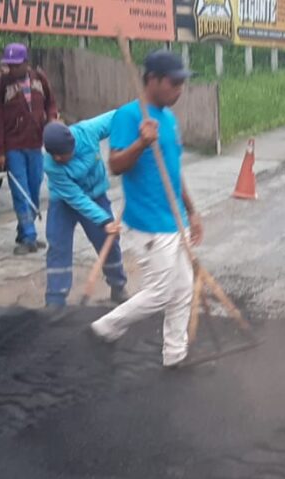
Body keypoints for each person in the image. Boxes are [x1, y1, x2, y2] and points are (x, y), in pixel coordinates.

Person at [91, 50, 204, 368]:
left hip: (174, 218)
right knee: (160, 292)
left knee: (182, 289)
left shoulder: (168, 119)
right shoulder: (128, 116)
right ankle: (105, 328)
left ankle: (175, 355)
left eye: (183, 83)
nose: (180, 89)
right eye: (174, 82)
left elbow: (173, 170)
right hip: (149, 223)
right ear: (152, 80)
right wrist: (140, 143)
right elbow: (115, 165)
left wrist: (192, 211)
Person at [41, 116, 128, 308]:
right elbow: (76, 199)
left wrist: (135, 137)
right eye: (52, 154)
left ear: (71, 145)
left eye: (61, 154)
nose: (57, 158)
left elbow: (120, 117)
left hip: (96, 195)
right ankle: (55, 300)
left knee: (109, 241)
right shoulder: (51, 166)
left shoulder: (88, 132)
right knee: (58, 246)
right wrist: (104, 219)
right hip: (64, 201)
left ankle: (118, 286)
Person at [0, 42, 57, 255]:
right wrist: (0, 151)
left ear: (26, 63)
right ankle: (29, 237)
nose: (12, 69)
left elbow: (51, 104)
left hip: (35, 144)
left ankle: (24, 230)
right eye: (9, 64)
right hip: (13, 146)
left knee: (34, 189)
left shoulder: (39, 79)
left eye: (16, 65)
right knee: (21, 191)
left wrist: (51, 120)